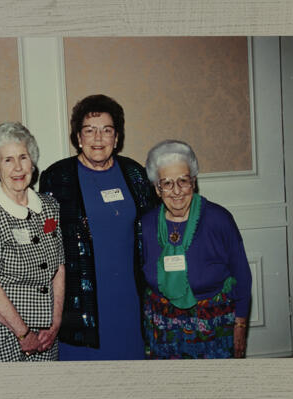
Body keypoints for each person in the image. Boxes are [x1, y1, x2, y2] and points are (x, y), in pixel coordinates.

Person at [39, 94, 157, 360]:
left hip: (129, 296)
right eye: (89, 131)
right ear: (78, 138)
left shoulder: (136, 174)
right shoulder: (57, 178)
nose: (98, 138)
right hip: (81, 300)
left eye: (107, 130)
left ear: (117, 138)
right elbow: (47, 240)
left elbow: (152, 232)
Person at [142, 139, 252, 359]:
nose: (176, 192)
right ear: (157, 188)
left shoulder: (218, 219)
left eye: (183, 181)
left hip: (213, 326)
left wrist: (240, 326)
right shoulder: (145, 225)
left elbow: (242, 274)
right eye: (167, 183)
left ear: (193, 182)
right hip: (163, 328)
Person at [0, 122, 65, 362]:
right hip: (5, 330)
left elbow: (59, 266)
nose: (18, 167)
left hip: (46, 332)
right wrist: (23, 333)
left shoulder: (50, 206)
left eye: (23, 157)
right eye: (8, 160)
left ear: (33, 161)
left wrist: (55, 322)